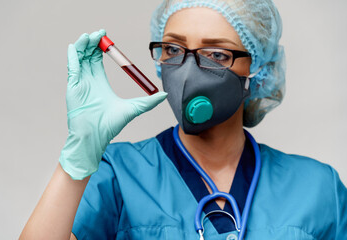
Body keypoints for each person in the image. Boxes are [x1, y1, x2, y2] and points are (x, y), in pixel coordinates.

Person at [20, 0, 347, 239]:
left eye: (216, 54)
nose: (188, 73)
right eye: (173, 50)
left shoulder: (318, 188)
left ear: (258, 69)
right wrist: (76, 160)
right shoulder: (118, 174)